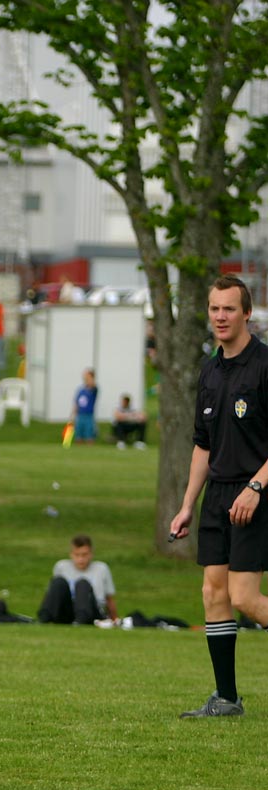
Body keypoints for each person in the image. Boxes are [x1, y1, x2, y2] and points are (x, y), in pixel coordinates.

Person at [168, 274, 268, 719]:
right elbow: (203, 444)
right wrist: (188, 503)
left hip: (258, 493)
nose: (221, 316)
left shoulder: (264, 365)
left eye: (229, 308)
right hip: (217, 496)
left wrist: (256, 488)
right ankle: (226, 699)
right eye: (214, 309)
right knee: (213, 593)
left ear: (247, 313)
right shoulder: (209, 370)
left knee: (245, 598)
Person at [37, 534, 120, 626]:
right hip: (69, 611)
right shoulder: (61, 567)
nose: (81, 559)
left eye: (84, 555)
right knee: (58, 582)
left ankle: (81, 621)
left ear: (91, 554)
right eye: (77, 555)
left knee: (82, 584)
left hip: (92, 610)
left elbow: (109, 599)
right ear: (71, 554)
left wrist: (114, 619)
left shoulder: (101, 569)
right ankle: (44, 619)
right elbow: (53, 594)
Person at [72, 368, 99, 444]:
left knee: (89, 436)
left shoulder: (94, 389)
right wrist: (73, 416)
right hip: (80, 415)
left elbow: (92, 384)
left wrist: (90, 376)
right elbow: (77, 403)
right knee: (78, 436)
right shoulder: (81, 390)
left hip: (89, 416)